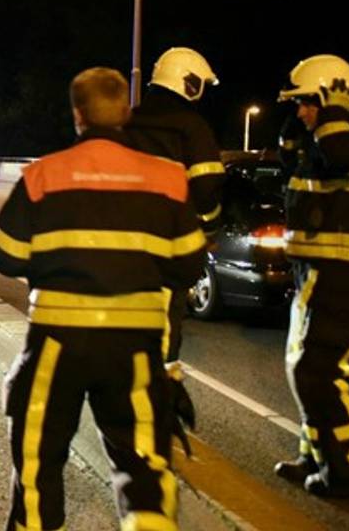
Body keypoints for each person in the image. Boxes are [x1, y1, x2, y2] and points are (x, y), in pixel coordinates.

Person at [0, 68, 205, 531]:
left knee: (38, 459)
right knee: (145, 465)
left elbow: (5, 255)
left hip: (55, 346)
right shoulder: (168, 178)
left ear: (77, 115)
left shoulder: (43, 175)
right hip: (135, 350)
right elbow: (189, 263)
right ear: (126, 113)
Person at [273, 54, 349, 498]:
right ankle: (316, 455)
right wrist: (296, 136)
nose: (299, 112)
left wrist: (333, 111)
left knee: (316, 373)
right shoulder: (323, 140)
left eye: (306, 102)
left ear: (332, 95)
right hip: (317, 273)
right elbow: (297, 173)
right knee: (313, 369)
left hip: (347, 276)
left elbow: (343, 155)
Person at [125, 46, 225, 449]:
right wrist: (209, 226)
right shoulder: (191, 126)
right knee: (165, 332)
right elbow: (207, 187)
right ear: (190, 82)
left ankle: (128, 409)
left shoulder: (126, 122)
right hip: (168, 250)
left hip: (122, 250)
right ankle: (159, 417)